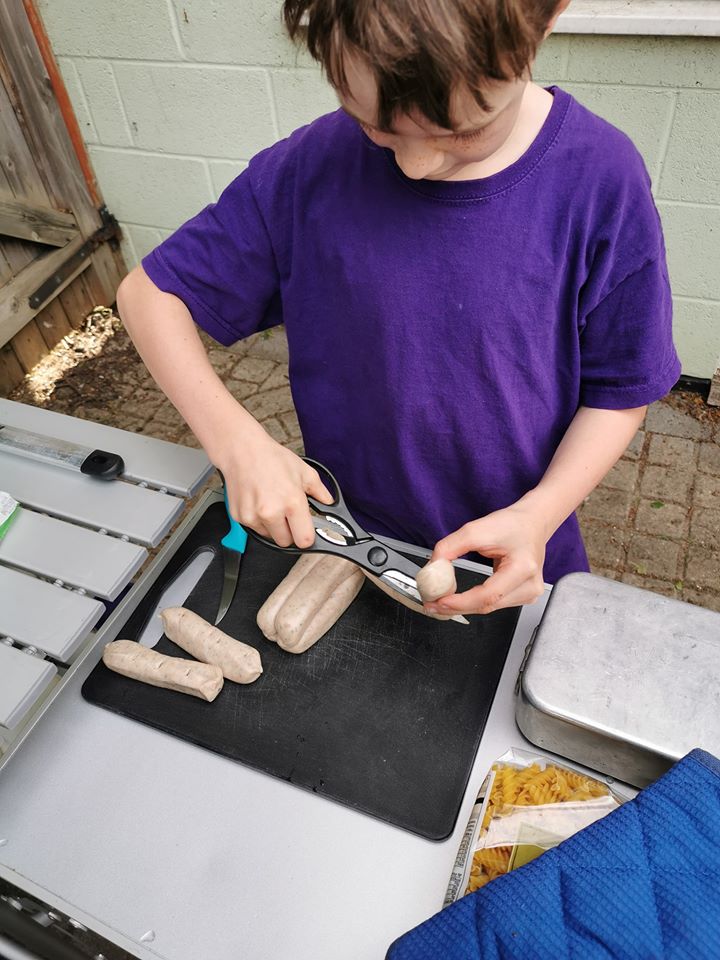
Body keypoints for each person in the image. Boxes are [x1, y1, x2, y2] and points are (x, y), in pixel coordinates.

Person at [117, 0, 679, 618]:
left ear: (546, 18)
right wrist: (237, 445)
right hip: (344, 543)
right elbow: (148, 295)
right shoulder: (310, 169)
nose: (415, 164)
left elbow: (618, 391)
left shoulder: (603, 181)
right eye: (376, 126)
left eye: (462, 131)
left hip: (517, 560)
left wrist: (539, 515)